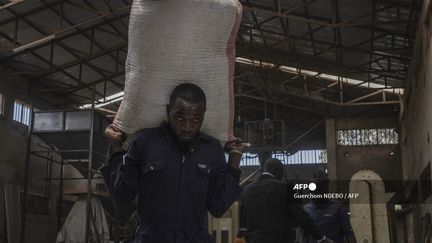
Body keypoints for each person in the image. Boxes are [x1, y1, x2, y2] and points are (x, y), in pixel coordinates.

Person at [101, 83, 247, 243]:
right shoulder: (144, 142)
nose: (188, 126)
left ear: (204, 115)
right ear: (168, 110)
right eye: (180, 117)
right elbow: (121, 196)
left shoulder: (212, 150)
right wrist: (115, 148)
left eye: (196, 119)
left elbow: (218, 207)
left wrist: (234, 160)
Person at [240, 158, 334, 243]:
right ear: (279, 172)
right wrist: (320, 238)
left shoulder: (247, 189)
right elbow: (300, 215)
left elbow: (244, 218)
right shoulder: (284, 187)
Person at [302, 170, 357, 243]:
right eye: (312, 191)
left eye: (318, 190)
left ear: (325, 190)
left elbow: (349, 235)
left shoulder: (338, 209)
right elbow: (304, 237)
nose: (314, 194)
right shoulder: (306, 209)